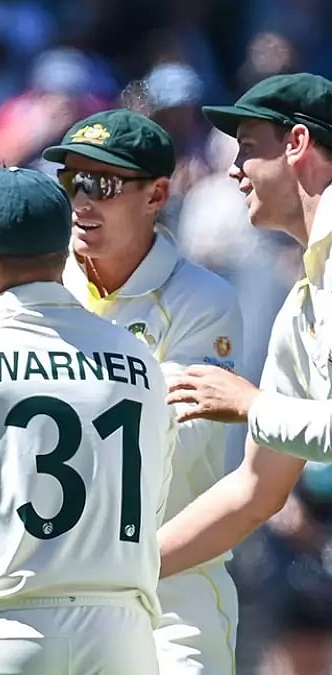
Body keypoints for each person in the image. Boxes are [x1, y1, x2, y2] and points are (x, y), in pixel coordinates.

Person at [0, 166, 175, 675]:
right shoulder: (140, 358)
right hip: (122, 636)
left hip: (1, 628)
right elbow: (152, 500)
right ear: (64, 249)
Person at [39, 109, 243, 673]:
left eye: (102, 184)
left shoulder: (203, 299)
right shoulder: (39, 280)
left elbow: (171, 438)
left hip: (171, 582)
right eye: (72, 181)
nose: (82, 202)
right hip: (49, 580)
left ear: (156, 195)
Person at [160, 74, 332, 572]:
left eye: (249, 149)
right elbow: (254, 490)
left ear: (296, 143)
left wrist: (251, 403)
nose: (234, 170)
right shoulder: (303, 304)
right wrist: (119, 575)